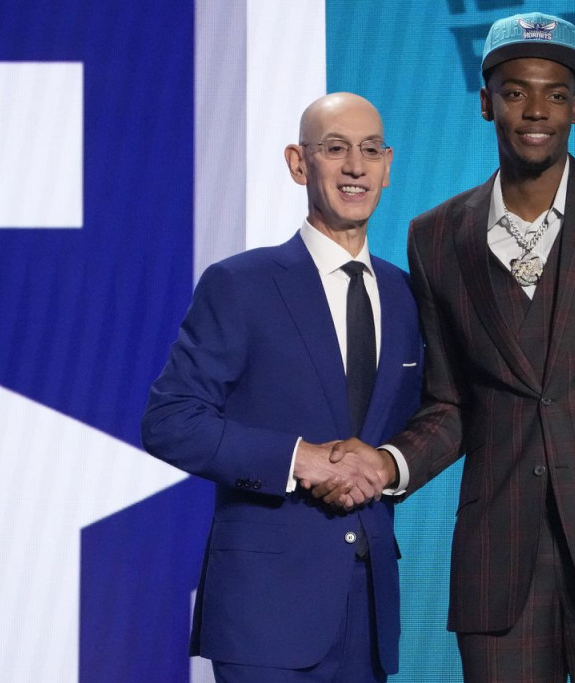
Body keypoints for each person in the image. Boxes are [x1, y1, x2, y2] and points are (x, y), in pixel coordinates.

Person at [329, 12, 575, 682]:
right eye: (515, 92)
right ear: (486, 103)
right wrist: (390, 462)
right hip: (497, 563)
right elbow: (451, 401)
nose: (536, 110)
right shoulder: (435, 236)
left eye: (555, 94)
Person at [141, 92, 421, 682]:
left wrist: (389, 465)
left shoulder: (406, 294)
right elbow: (170, 420)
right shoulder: (240, 284)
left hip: (368, 608)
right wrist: (300, 459)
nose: (355, 167)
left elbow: (432, 418)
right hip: (263, 609)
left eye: (370, 150)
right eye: (335, 149)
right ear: (299, 163)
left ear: (388, 166)